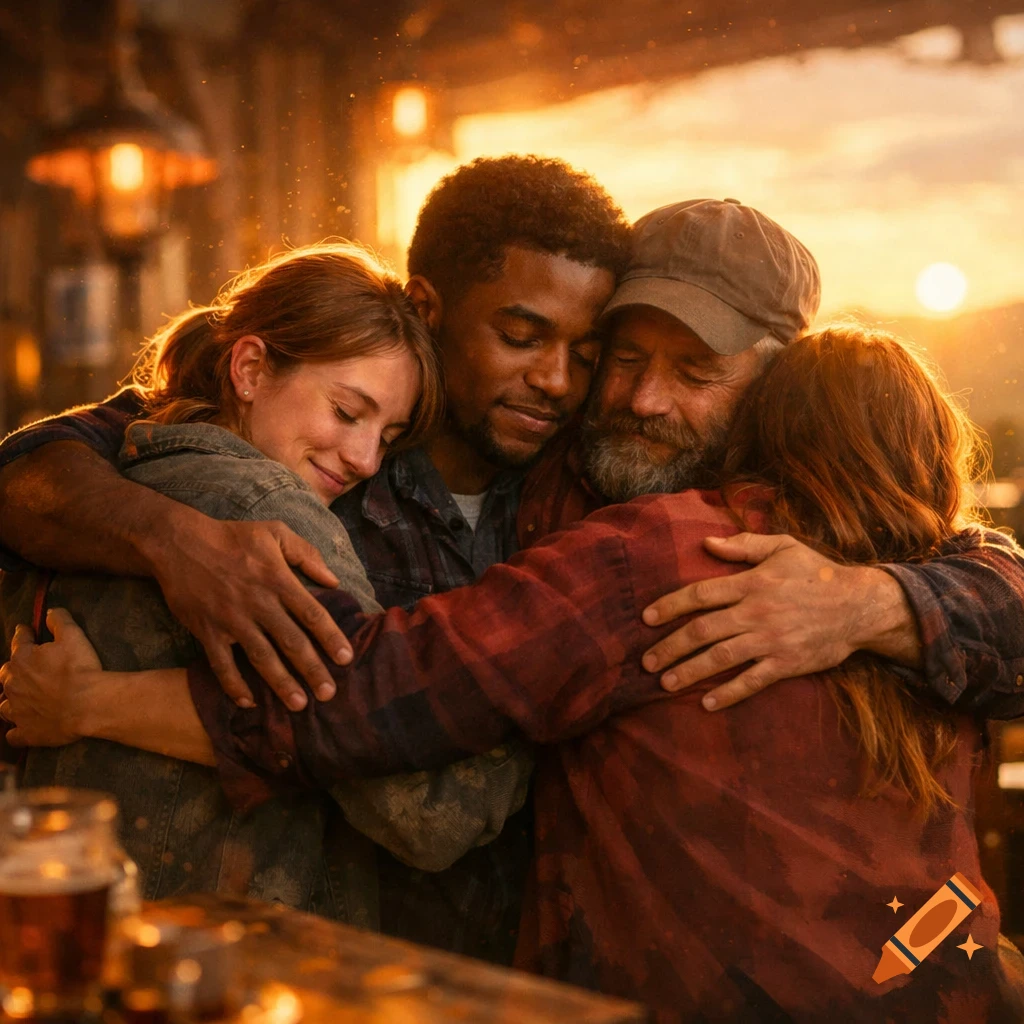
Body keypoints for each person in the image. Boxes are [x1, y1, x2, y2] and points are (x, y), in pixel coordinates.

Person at [3, 188, 1024, 957]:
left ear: (766, 377)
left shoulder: (673, 488)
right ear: (431, 308)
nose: (589, 386)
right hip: (360, 949)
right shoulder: (318, 457)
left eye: (590, 350)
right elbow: (43, 466)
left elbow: (981, 572)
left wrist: (875, 603)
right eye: (528, 337)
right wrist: (166, 539)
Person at [0, 241, 535, 923]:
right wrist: (537, 688)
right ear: (250, 368)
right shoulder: (270, 520)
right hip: (242, 962)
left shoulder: (123, 469)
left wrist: (92, 702)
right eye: (347, 412)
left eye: (389, 434)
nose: (366, 459)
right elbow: (429, 814)